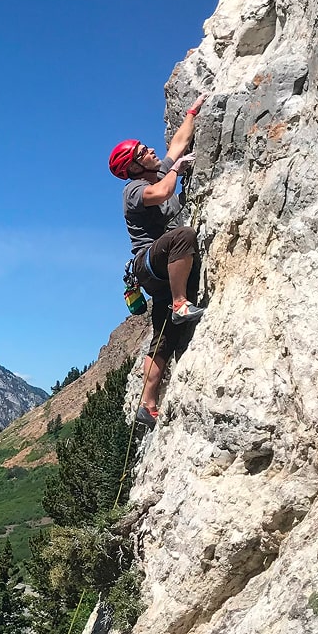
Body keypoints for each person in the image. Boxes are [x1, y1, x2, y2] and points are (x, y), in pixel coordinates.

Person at [108, 96, 205, 428]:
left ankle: (147, 404)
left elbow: (179, 142)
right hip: (148, 264)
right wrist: (176, 169)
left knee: (163, 338)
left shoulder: (158, 171)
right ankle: (180, 302)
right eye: (143, 153)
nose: (151, 151)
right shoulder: (134, 190)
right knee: (184, 236)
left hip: (160, 270)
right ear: (133, 168)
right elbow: (164, 193)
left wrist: (192, 110)